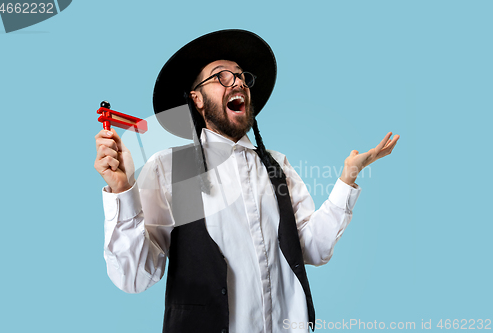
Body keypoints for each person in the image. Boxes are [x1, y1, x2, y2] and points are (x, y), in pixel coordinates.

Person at [94, 30, 399, 333]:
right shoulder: (178, 170)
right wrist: (122, 191)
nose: (238, 82)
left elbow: (312, 248)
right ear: (196, 99)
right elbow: (134, 278)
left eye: (241, 76)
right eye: (221, 76)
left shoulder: (276, 166)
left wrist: (347, 179)